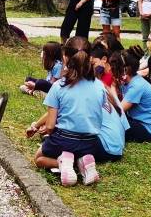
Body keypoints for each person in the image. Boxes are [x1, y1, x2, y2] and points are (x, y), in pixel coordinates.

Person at [25, 39, 108, 186]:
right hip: (91, 142)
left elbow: (50, 127)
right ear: (89, 58)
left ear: (65, 57)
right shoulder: (100, 86)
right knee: (76, 149)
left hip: (64, 139)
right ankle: (83, 162)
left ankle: (64, 163)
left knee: (38, 158)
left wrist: (45, 132)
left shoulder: (58, 86)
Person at [116, 51, 151, 143]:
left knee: (112, 126)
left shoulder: (136, 86)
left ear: (125, 70)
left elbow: (118, 111)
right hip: (141, 122)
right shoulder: (130, 81)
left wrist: (109, 87)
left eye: (115, 67)